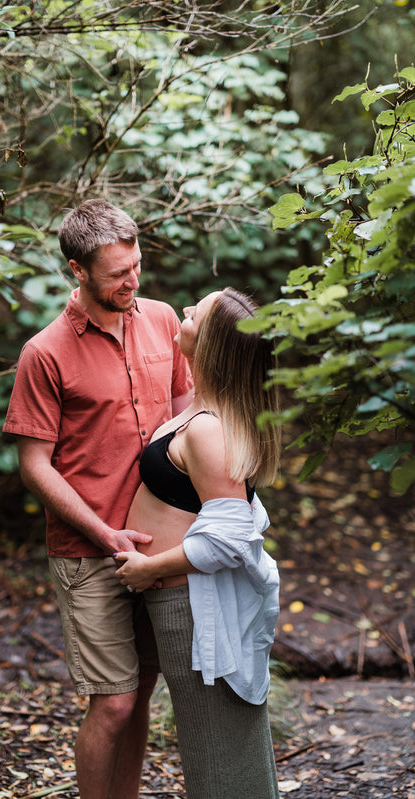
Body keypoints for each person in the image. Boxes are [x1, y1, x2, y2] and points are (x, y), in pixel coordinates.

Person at [2, 199, 193, 799]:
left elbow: (190, 410)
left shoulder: (163, 319)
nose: (132, 282)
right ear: (76, 270)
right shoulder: (45, 352)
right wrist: (103, 532)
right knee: (111, 703)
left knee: (139, 694)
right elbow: (34, 465)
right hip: (89, 553)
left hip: (159, 549)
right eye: (117, 274)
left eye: (136, 266)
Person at [114, 288, 281, 799]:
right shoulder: (202, 412)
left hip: (191, 603)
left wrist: (150, 568)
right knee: (212, 742)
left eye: (196, 313)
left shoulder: (209, 430)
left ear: (212, 345)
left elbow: (231, 537)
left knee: (218, 749)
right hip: (178, 600)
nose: (184, 310)